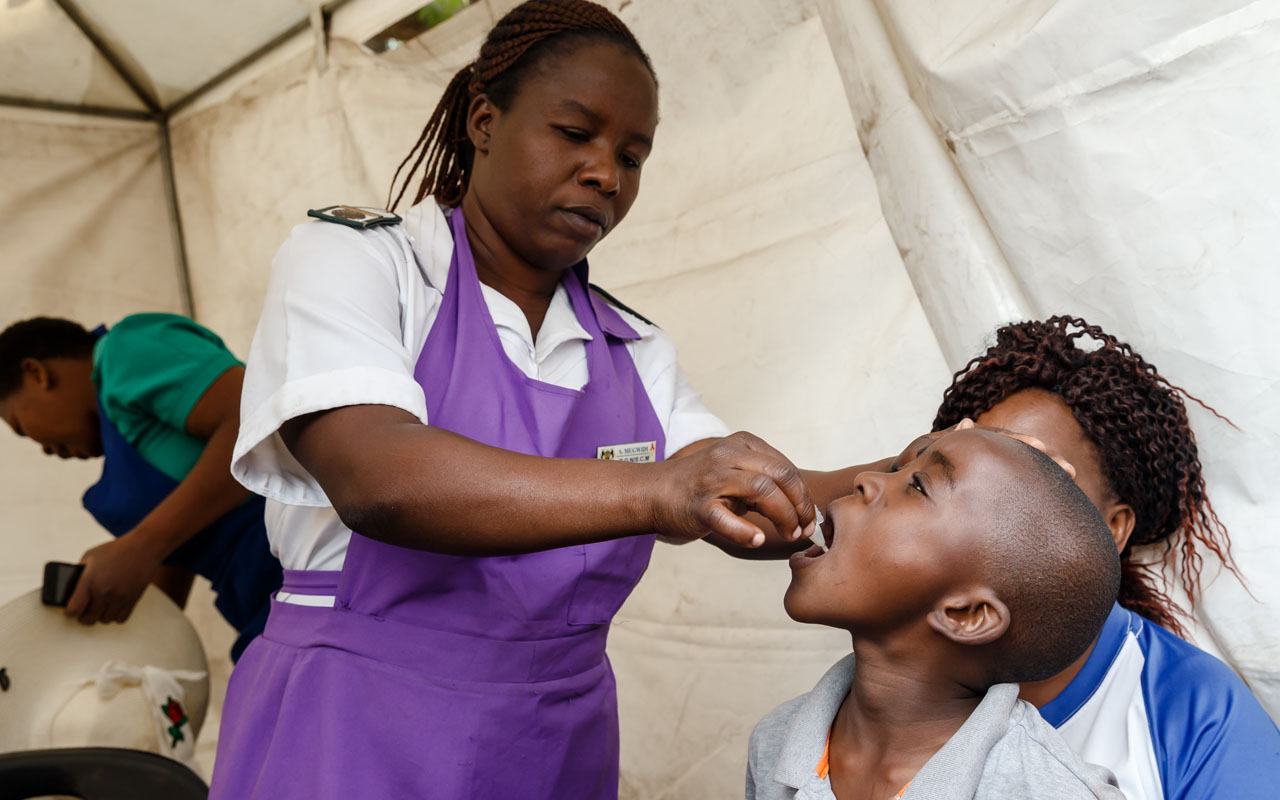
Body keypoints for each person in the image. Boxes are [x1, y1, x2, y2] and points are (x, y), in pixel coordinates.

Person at [929, 315, 1280, 799]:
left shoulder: (1196, 713)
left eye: (1040, 477)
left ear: (1113, 527)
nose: (990, 505)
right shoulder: (896, 665)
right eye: (964, 472)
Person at [747, 428, 1125, 800]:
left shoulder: (1050, 791)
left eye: (917, 485)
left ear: (966, 614)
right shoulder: (775, 741)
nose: (863, 480)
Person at [0, 314, 282, 661]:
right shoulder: (134, 442)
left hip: (317, 568)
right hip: (266, 604)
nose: (42, 448)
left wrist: (141, 546)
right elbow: (172, 560)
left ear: (36, 374)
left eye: (20, 427)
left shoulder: (125, 350)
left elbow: (257, 423)